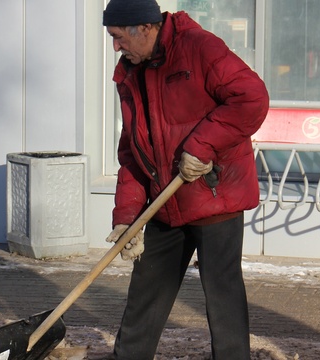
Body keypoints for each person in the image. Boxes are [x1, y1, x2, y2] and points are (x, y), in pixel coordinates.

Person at [102, 0, 270, 358]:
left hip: (214, 197)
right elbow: (132, 151)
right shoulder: (130, 73)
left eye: (118, 37)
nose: (115, 46)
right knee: (144, 299)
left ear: (144, 28)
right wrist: (126, 218)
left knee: (222, 301)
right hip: (166, 205)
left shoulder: (199, 48)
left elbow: (251, 97)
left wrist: (203, 145)